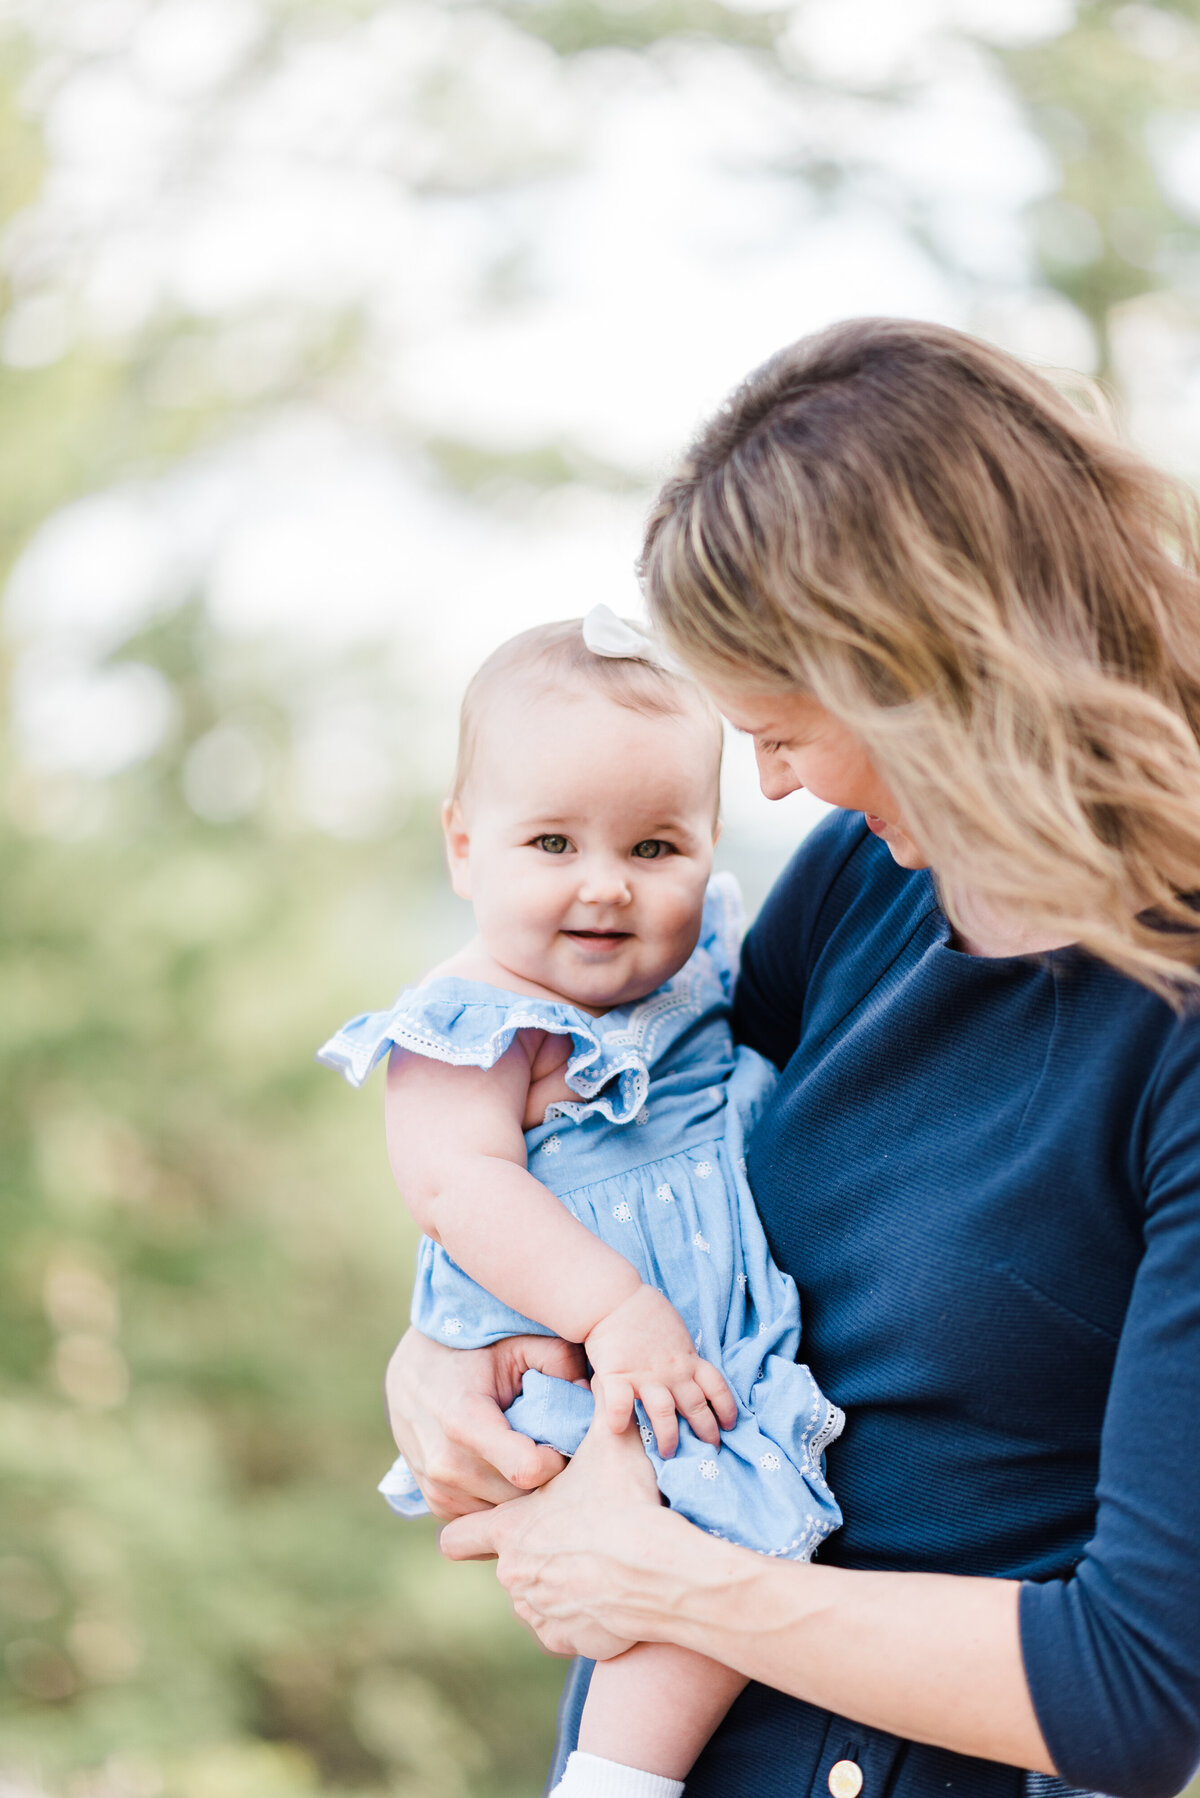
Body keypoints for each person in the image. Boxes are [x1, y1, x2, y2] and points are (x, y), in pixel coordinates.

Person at [384, 318, 1200, 1798]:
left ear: (926, 668)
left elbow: (1135, 1686)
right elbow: (629, 1141)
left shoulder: (1175, 1036)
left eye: (782, 725)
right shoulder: (860, 885)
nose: (770, 782)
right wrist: (442, 1343)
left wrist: (669, 1583)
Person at [316, 615, 845, 1798]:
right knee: (685, 1550)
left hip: (704, 1336)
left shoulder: (709, 958)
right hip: (600, 1347)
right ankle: (615, 1778)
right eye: (552, 841)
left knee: (709, 1555)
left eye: (656, 846)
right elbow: (460, 1186)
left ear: (711, 851)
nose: (605, 884)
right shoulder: (476, 1019)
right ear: (464, 845)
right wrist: (614, 1312)